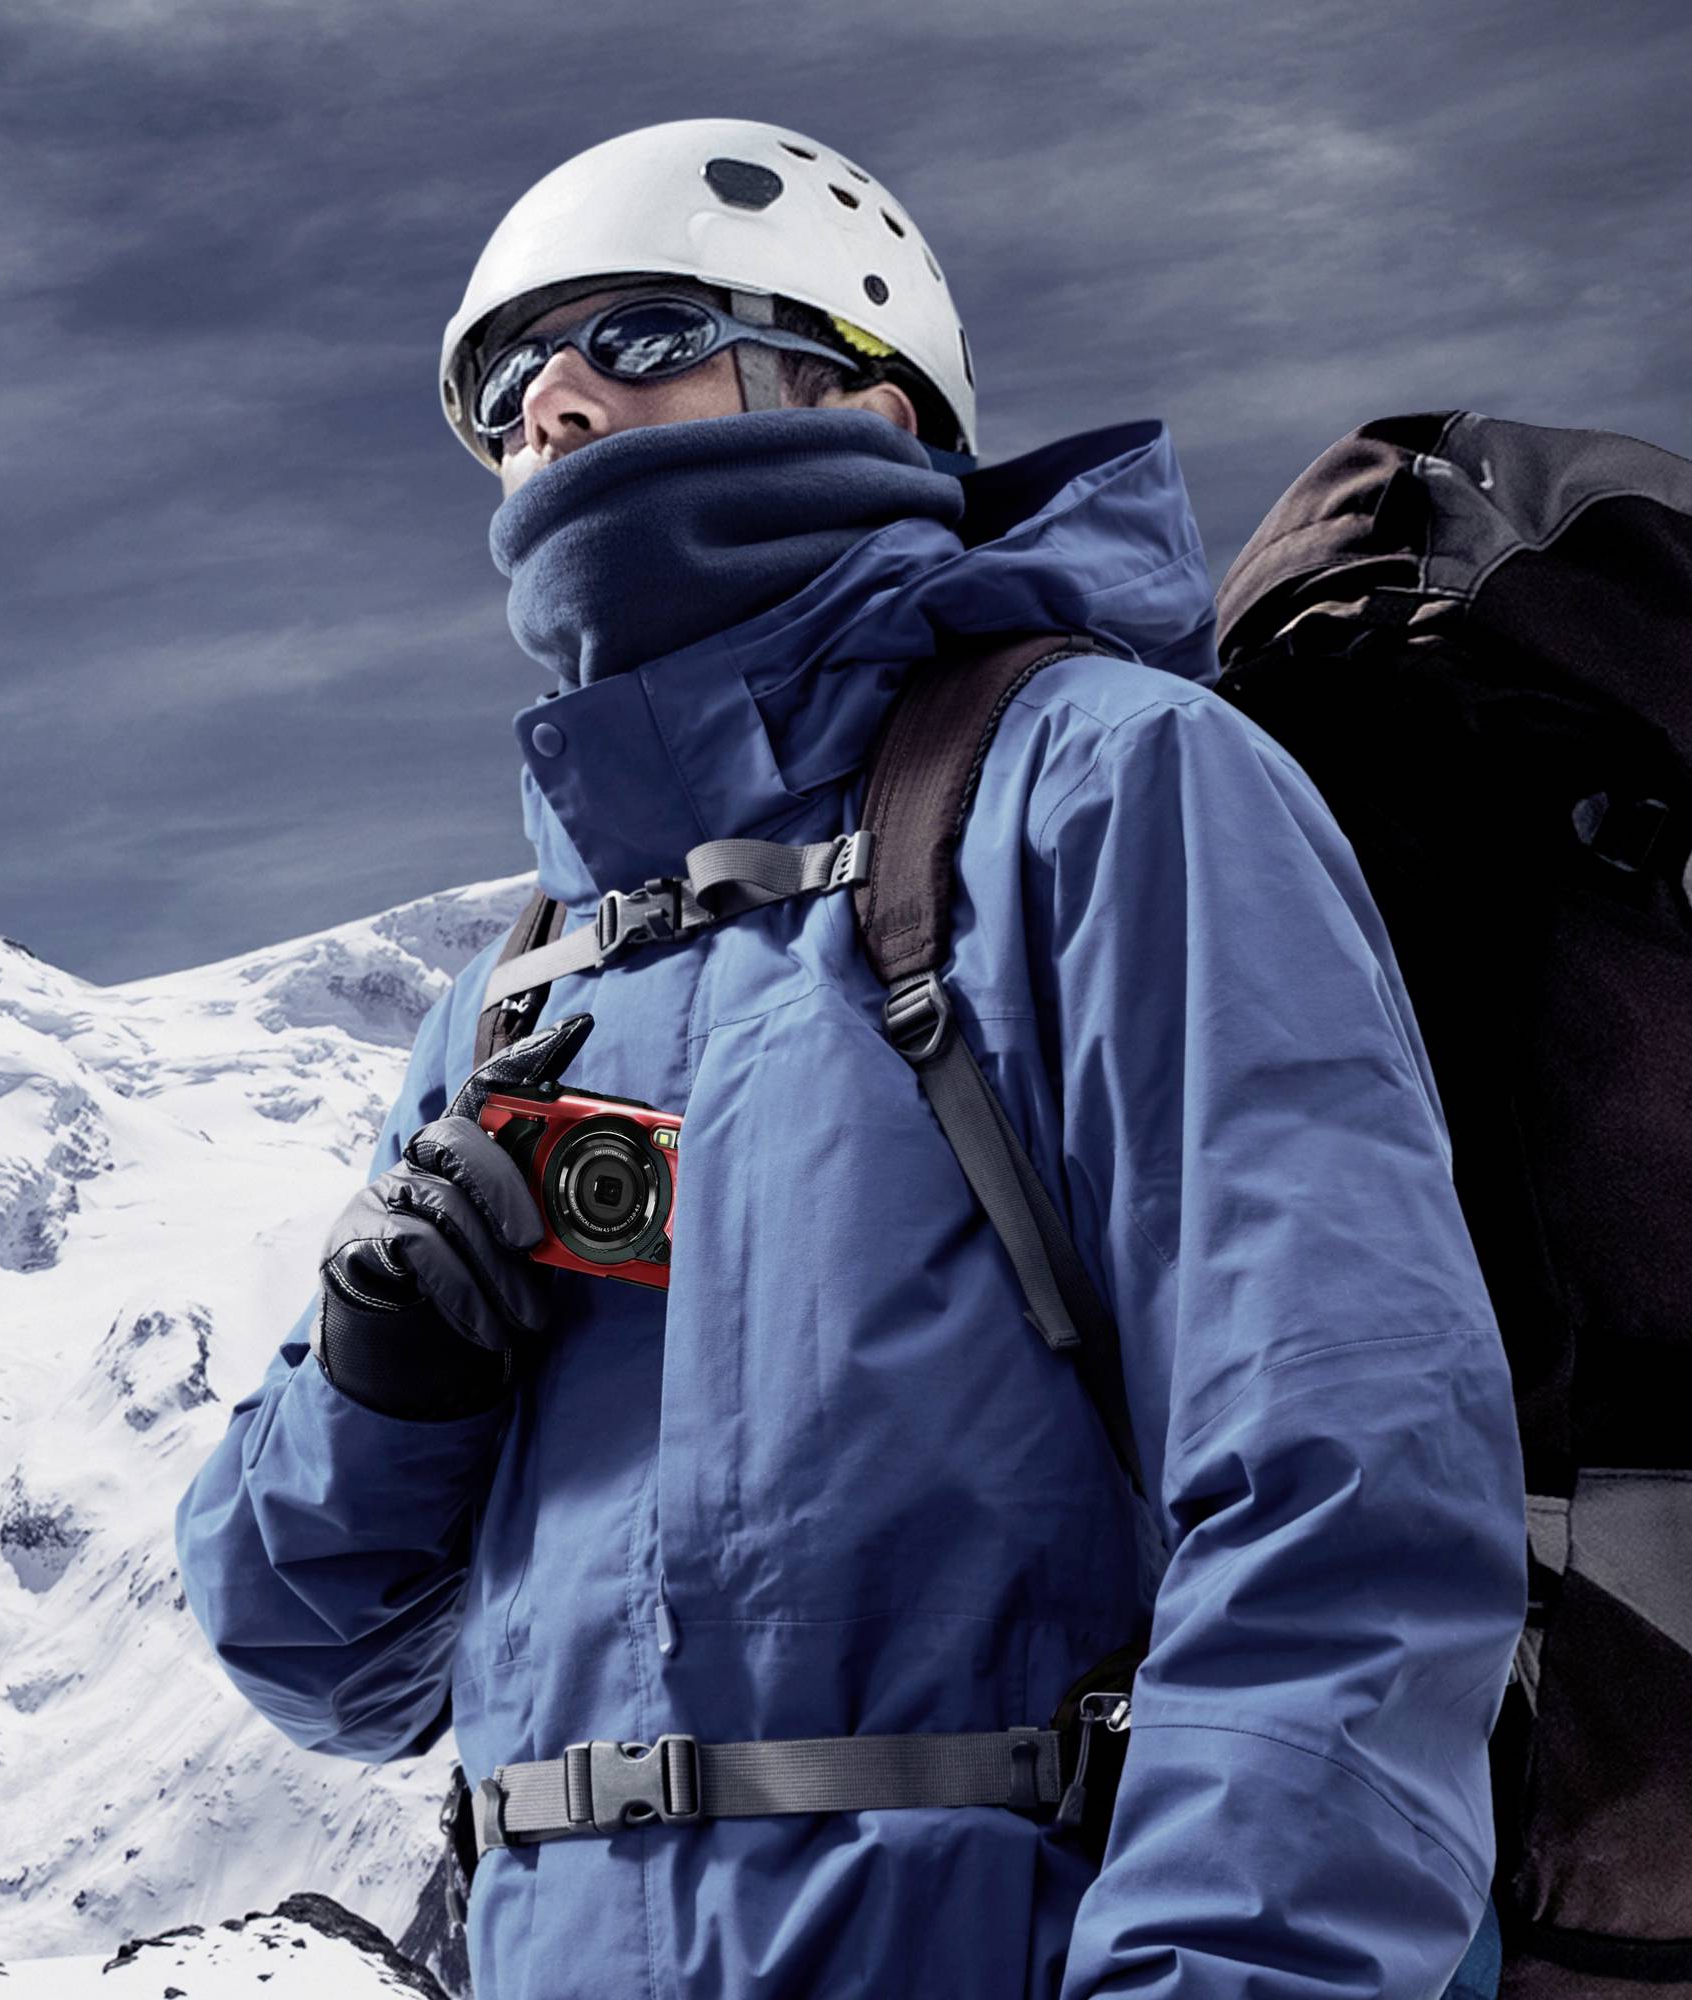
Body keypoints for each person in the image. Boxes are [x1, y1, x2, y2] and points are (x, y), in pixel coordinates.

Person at [174, 118, 1527, 2000]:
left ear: (876, 404)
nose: (549, 398)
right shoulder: (515, 995)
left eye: (637, 333)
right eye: (501, 376)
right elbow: (319, 1670)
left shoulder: (1107, 784)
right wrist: (381, 1398)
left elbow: (1350, 1488)